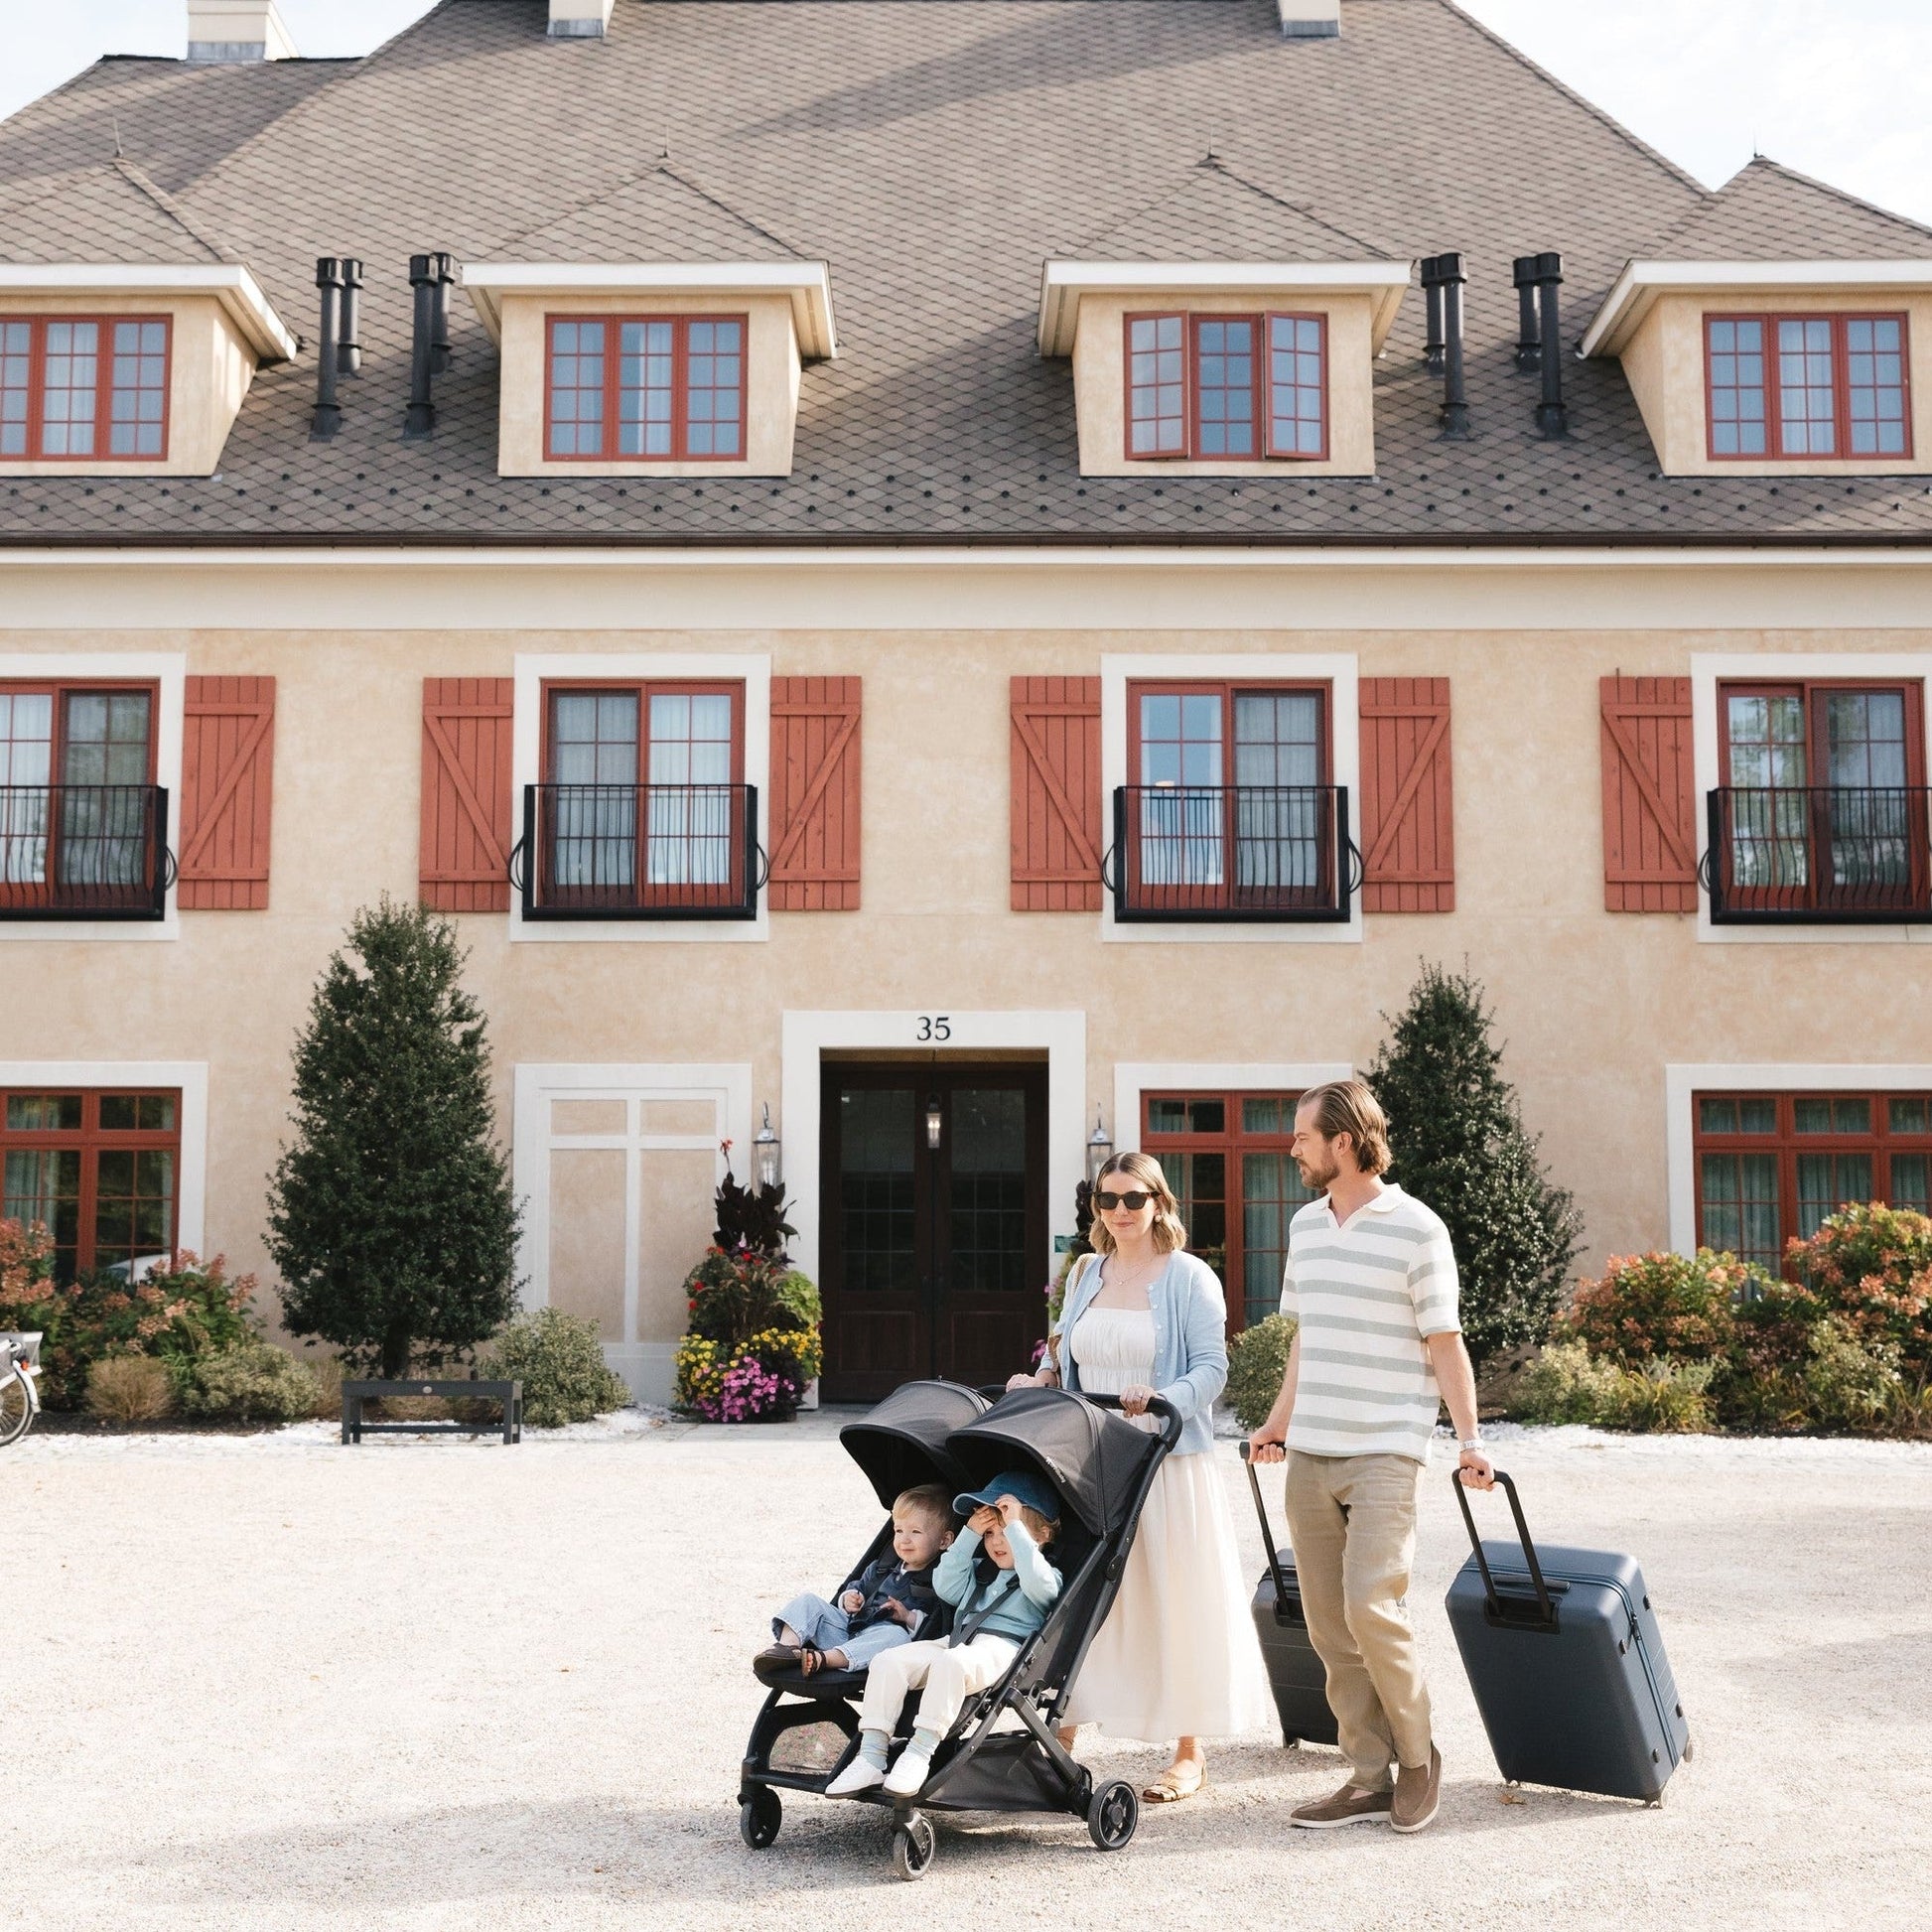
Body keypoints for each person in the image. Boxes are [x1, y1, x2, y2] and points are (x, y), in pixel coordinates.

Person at [1249, 1078, 1495, 1837]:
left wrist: (1470, 1441)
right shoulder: (1306, 1227)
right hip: (1312, 1448)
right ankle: (1365, 1775)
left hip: (1387, 1447)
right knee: (1327, 1623)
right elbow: (1307, 1337)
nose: (1292, 1148)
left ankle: (1418, 1759)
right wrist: (1277, 1423)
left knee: (1371, 1606)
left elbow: (1444, 1341)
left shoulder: (1418, 1229)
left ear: (1345, 1142)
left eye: (1303, 1136)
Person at [1010, 1150, 1273, 1804]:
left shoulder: (1189, 1277)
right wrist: (1041, 1377)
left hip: (1163, 1461)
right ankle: (1063, 1731)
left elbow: (1212, 1368)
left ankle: (1189, 1751)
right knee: (1086, 1593)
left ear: (1159, 1203)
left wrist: (1162, 1398)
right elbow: (1062, 1348)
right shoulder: (1085, 1272)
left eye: (1134, 1199)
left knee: (1172, 1596)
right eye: (1108, 1200)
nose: (1120, 1211)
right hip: (1091, 1455)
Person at [825, 1470, 1062, 1800]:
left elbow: (1039, 1583)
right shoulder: (980, 1572)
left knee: (952, 1663)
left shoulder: (1046, 1576)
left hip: (1002, 1648)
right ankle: (871, 1755)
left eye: (1007, 1532)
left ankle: (919, 1752)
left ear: (1043, 1535)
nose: (996, 1541)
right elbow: (946, 1587)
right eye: (990, 1533)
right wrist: (969, 1535)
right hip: (958, 1640)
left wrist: (1017, 1530)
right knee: (888, 1661)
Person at [754, 1482, 955, 1680]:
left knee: (897, 1637)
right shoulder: (880, 1567)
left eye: (915, 1532)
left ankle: (823, 1660)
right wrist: (849, 1598)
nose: (904, 1539)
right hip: (848, 1629)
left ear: (944, 1541)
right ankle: (788, 1649)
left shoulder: (941, 1579)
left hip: (878, 1644)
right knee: (808, 1601)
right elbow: (857, 1587)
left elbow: (935, 1628)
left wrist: (907, 1616)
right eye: (898, 1531)